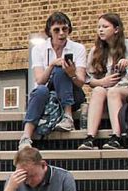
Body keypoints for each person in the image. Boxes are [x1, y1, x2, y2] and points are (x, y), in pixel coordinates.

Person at [20, 12, 87, 144]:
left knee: (61, 70)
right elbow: (40, 81)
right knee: (40, 90)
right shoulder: (39, 49)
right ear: (50, 32)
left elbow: (80, 82)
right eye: (57, 30)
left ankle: (68, 117)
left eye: (65, 29)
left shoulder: (78, 48)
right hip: (47, 93)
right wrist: (51, 65)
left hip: (72, 94)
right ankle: (26, 136)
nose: (61, 33)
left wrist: (71, 73)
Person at [82, 12, 128, 146]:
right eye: (99, 27)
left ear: (116, 29)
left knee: (113, 92)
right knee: (98, 90)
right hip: (105, 92)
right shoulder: (96, 50)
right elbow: (88, 79)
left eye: (105, 26)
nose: (100, 30)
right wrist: (101, 82)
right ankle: (89, 138)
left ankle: (116, 136)